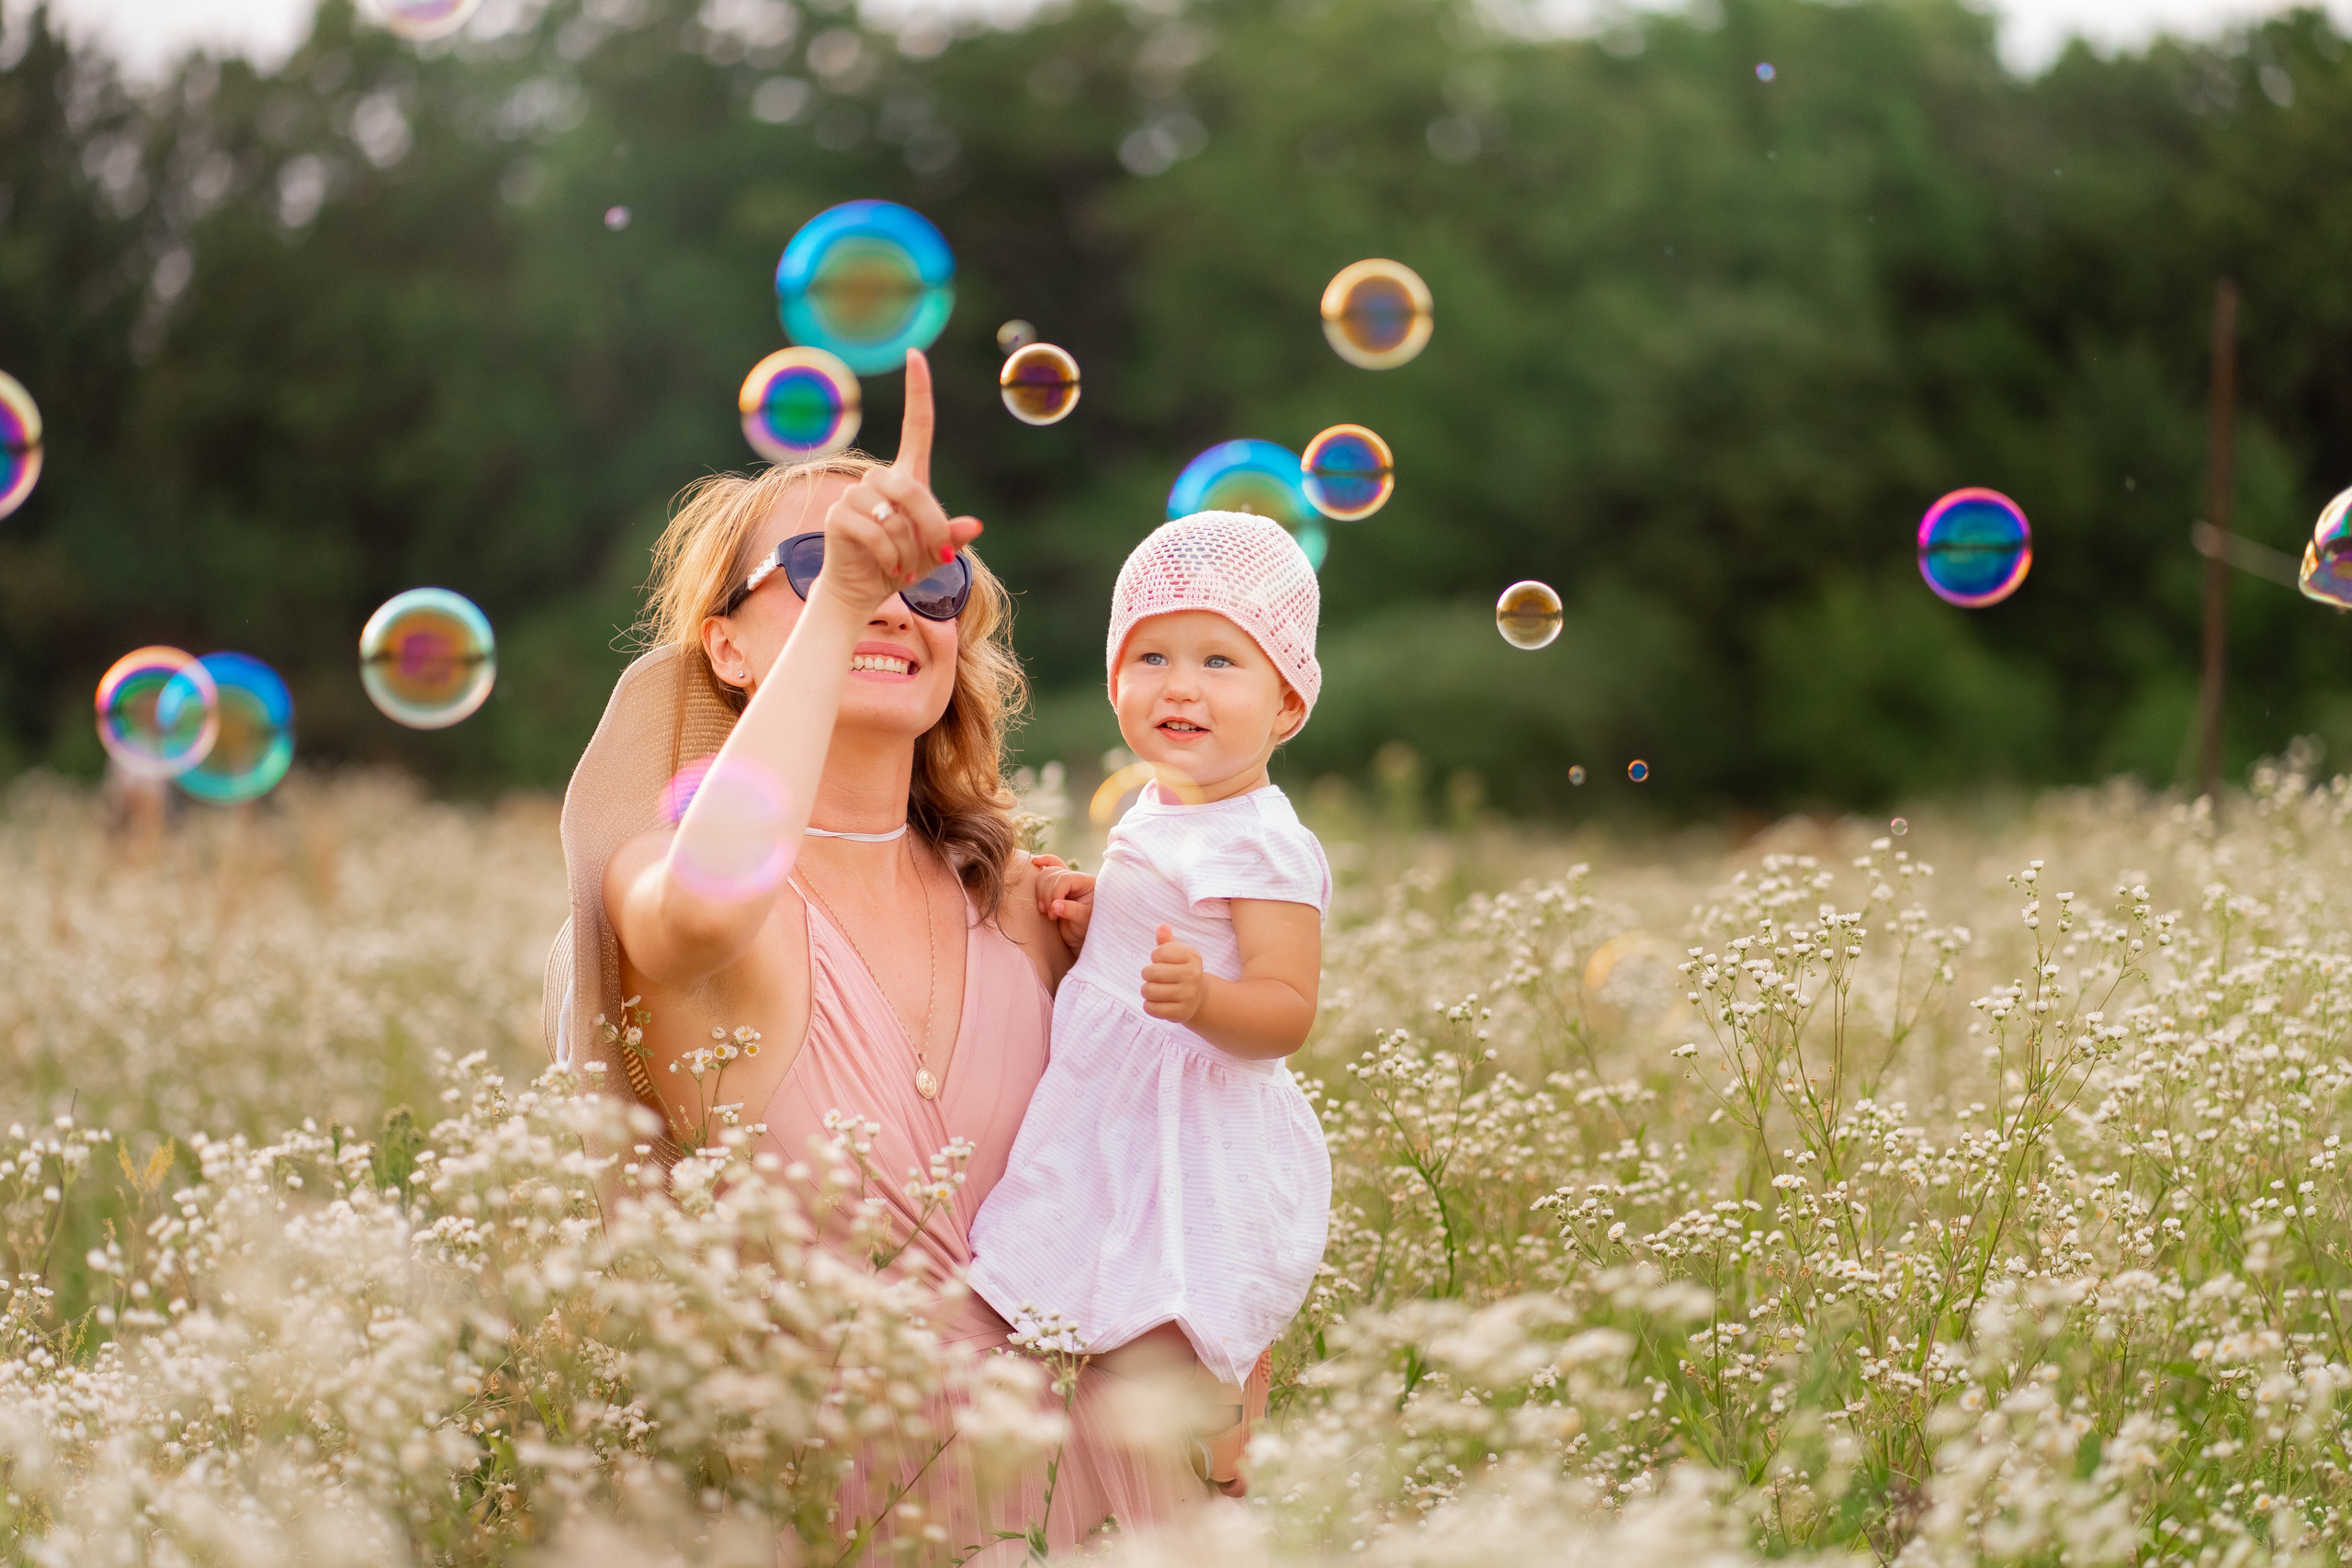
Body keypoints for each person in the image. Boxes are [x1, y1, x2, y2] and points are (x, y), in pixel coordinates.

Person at [541, 352, 1221, 1553]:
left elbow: (1184, 1160)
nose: (893, 602)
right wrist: (846, 597)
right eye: (822, 568)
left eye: (930, 580)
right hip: (865, 1520)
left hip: (1121, 1509)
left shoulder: (1027, 902)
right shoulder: (663, 876)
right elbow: (708, 904)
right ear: (728, 648)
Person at [968, 510, 1334, 1497]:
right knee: (1099, 1291)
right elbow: (1163, 920)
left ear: (1286, 704)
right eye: (1152, 656)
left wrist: (1204, 997)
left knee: (1177, 1310)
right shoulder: (1162, 807)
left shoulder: (1262, 843)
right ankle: (1174, 1451)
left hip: (1196, 1122)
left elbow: (1287, 1008)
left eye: (1220, 660)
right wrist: (1101, 916)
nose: (1180, 684)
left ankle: (1228, 1446)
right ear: (1114, 684)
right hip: (1119, 1105)